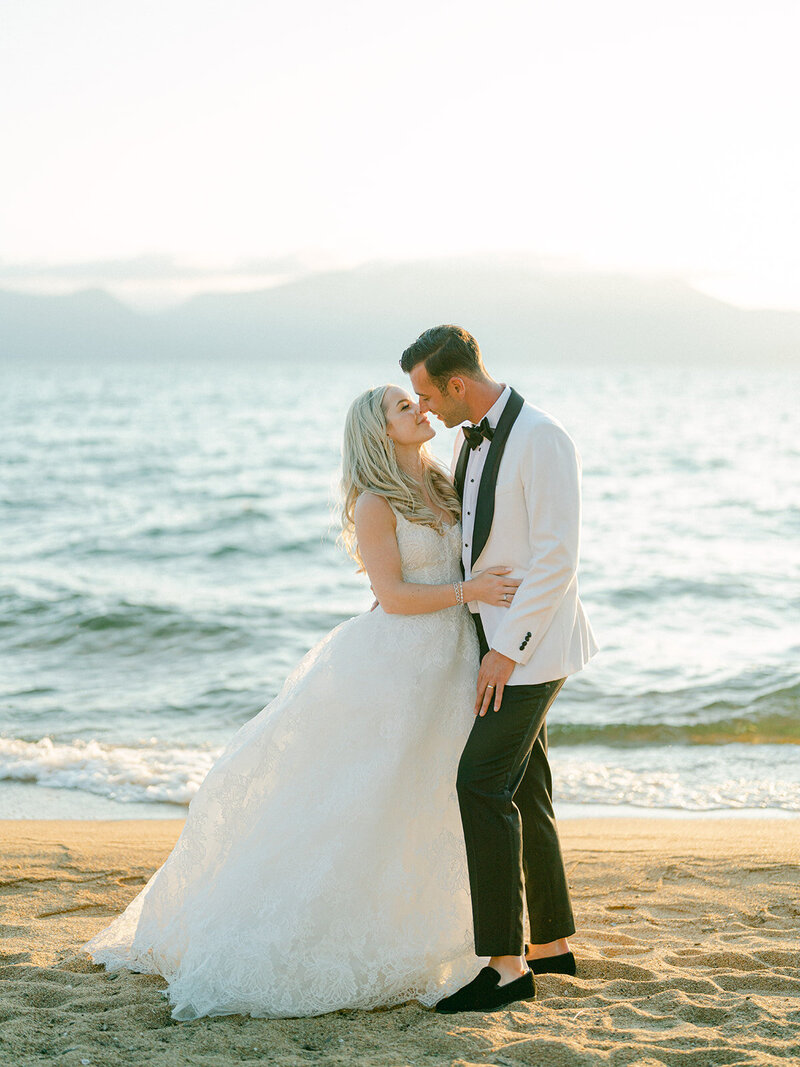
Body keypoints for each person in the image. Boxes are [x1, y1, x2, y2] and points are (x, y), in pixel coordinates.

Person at [82, 383, 521, 1020]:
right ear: (378, 431)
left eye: (417, 400)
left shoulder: (444, 481)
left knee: (429, 793)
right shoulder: (375, 502)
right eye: (404, 407)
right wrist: (469, 591)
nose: (420, 409)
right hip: (399, 663)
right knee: (370, 795)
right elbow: (393, 596)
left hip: (450, 659)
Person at [400, 325, 598, 1014]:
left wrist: (507, 649)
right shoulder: (469, 439)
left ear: (457, 384)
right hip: (493, 639)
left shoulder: (542, 437)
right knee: (527, 784)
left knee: (479, 783)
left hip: (531, 648)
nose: (425, 409)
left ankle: (506, 967)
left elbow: (557, 558)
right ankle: (552, 945)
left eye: (428, 395)